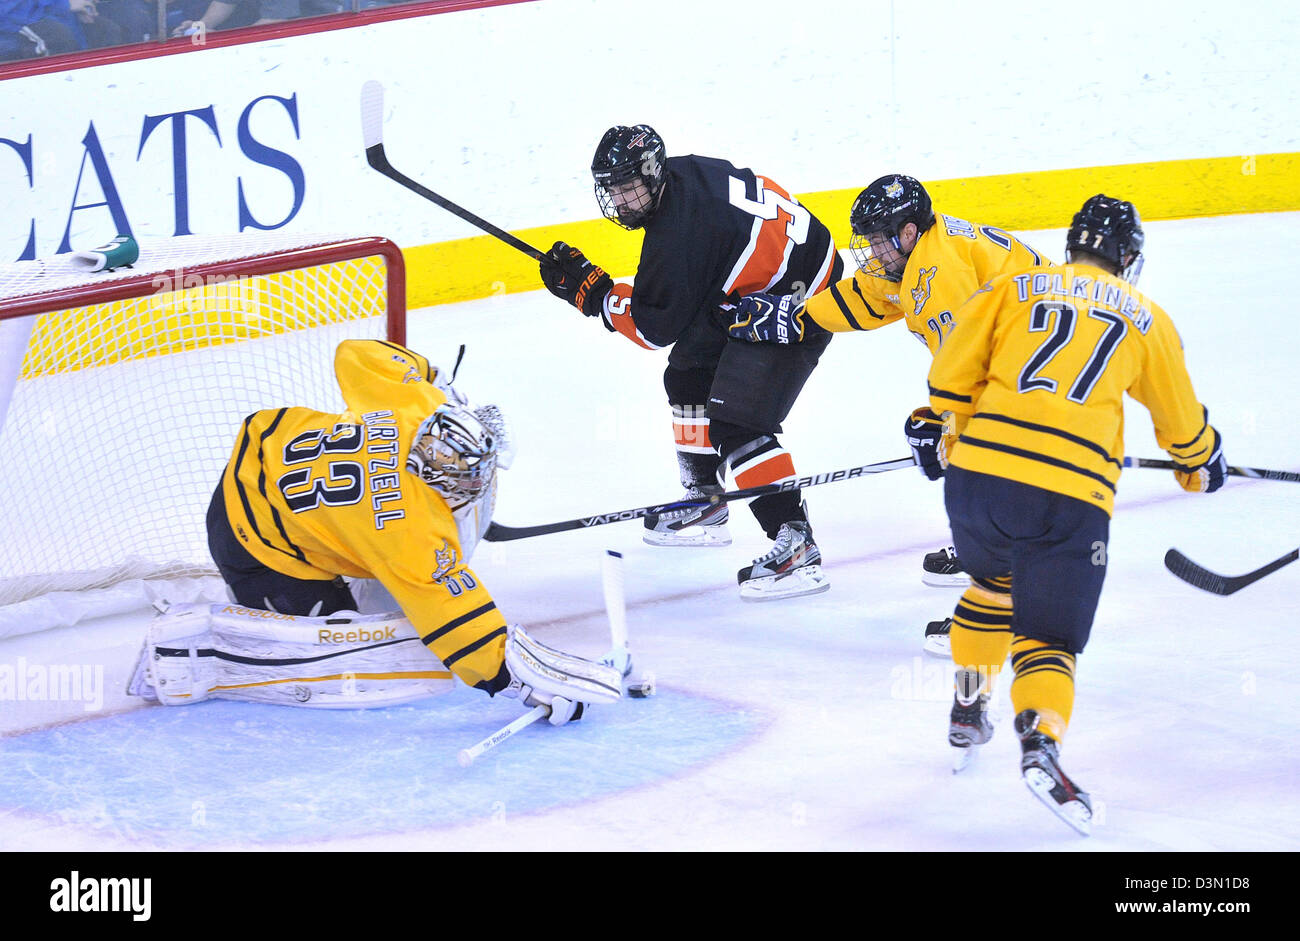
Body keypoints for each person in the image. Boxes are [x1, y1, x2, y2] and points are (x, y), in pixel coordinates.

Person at [924, 194, 1228, 833]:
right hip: (1069, 497)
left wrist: (942, 425)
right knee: (1048, 640)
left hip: (977, 480)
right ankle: (1040, 742)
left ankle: (968, 704)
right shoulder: (1148, 318)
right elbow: (1183, 433)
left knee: (992, 585)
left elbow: (951, 376)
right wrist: (1202, 461)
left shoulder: (1013, 288)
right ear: (1128, 257)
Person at [128, 338, 621, 723]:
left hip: (264, 456)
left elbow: (355, 353)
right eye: (464, 480)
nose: (474, 485)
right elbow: (454, 615)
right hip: (255, 541)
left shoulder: (415, 405)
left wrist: (434, 380)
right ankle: (197, 655)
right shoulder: (410, 529)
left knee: (385, 598)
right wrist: (512, 680)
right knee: (346, 648)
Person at [729, 174, 1052, 643]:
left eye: (881, 239)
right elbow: (868, 297)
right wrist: (797, 317)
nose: (874, 251)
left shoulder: (942, 272)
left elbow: (969, 372)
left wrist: (945, 424)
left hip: (1041, 365)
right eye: (871, 240)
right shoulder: (914, 258)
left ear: (908, 230)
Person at [536, 125, 843, 601]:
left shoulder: (679, 233)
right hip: (759, 282)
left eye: (627, 187)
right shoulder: (682, 183)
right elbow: (682, 294)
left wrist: (593, 294)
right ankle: (707, 499)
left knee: (736, 421)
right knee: (687, 377)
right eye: (611, 189)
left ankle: (795, 539)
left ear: (654, 173)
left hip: (802, 301)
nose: (619, 201)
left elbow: (652, 328)